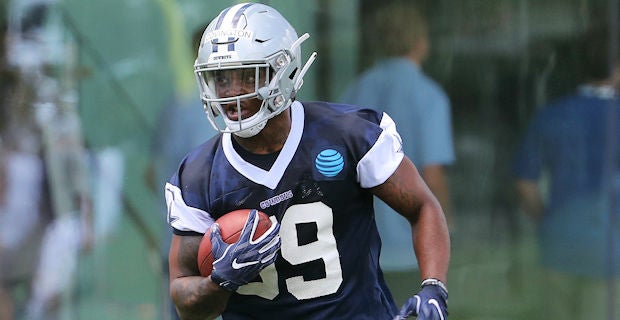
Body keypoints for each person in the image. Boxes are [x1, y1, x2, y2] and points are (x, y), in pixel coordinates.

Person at [165, 3, 450, 320]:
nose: (231, 93)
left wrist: (433, 286)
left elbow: (422, 207)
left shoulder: (347, 135)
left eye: (247, 76)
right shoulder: (199, 175)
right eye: (221, 79)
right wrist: (220, 281)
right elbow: (183, 298)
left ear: (283, 71)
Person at [339, 2, 455, 305]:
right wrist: (446, 231)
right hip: (410, 251)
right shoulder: (429, 96)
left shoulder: (355, 90)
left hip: (360, 248)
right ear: (421, 41)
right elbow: (433, 175)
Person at [513, 27, 620, 319]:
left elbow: (525, 183)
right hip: (610, 251)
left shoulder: (551, 115)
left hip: (559, 245)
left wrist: (547, 219)